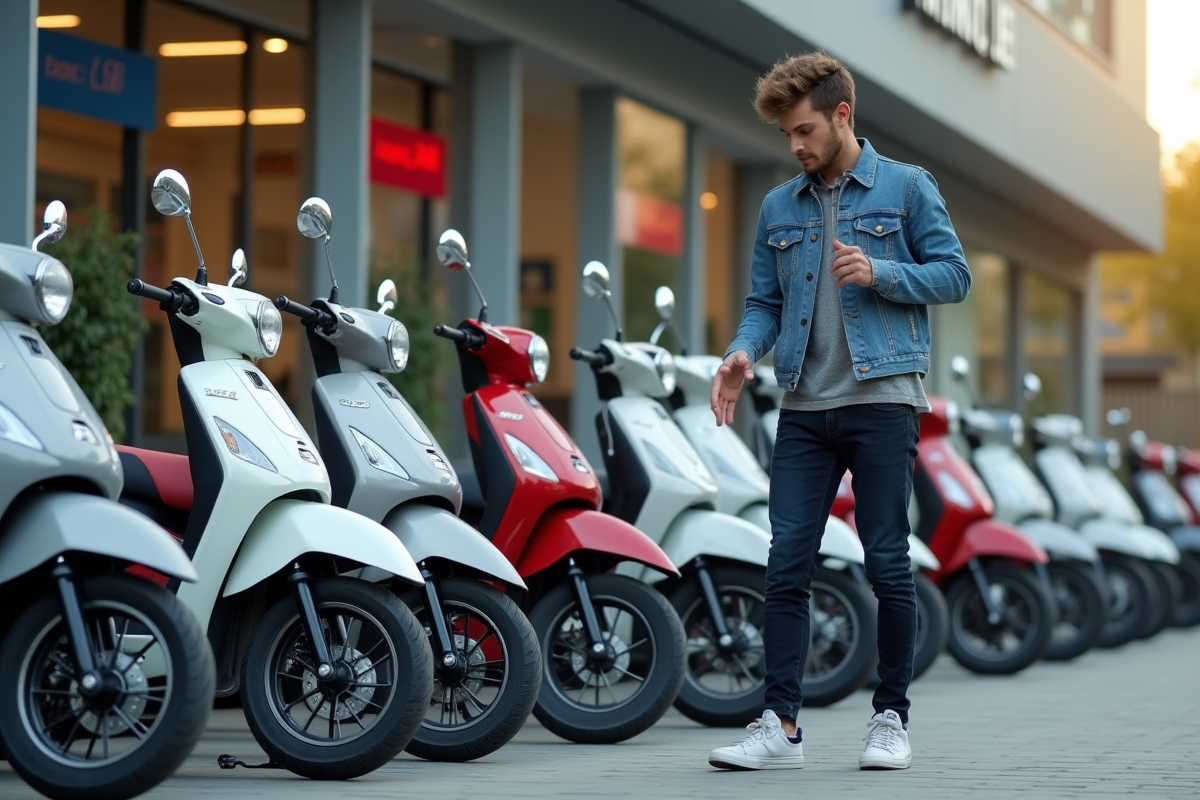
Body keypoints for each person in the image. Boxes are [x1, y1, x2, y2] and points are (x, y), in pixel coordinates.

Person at [706, 51, 971, 772]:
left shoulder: (907, 187)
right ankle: (780, 726)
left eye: (804, 130)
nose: (795, 146)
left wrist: (883, 272)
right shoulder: (778, 207)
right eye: (787, 135)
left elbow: (954, 276)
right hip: (803, 406)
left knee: (888, 561)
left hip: (883, 401)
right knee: (786, 562)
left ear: (842, 114)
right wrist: (740, 354)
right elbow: (765, 303)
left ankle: (890, 718)